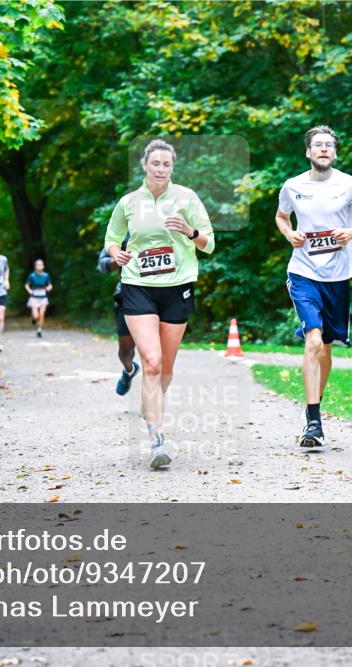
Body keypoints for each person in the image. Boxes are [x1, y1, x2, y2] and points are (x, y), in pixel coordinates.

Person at [104, 139, 214, 470]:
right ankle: (156, 438)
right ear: (144, 165)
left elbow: (209, 244)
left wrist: (190, 231)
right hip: (138, 286)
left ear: (172, 167)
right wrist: (116, 254)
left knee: (165, 368)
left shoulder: (187, 198)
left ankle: (152, 407)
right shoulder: (129, 202)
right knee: (150, 362)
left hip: (177, 286)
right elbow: (111, 238)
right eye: (156, 164)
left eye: (167, 164)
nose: (161, 169)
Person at [275, 125, 352, 448]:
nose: (323, 149)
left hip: (337, 277)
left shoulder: (350, 186)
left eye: (328, 145)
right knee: (314, 341)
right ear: (308, 152)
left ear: (334, 152)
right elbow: (281, 217)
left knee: (327, 349)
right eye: (317, 145)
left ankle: (313, 403)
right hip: (304, 273)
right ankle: (314, 422)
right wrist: (289, 233)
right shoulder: (293, 186)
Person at [98, 234, 139, 396]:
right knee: (125, 351)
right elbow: (102, 264)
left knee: (152, 353)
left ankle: (152, 402)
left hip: (158, 294)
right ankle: (129, 370)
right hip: (127, 295)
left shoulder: (162, 227)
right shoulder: (122, 233)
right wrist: (118, 260)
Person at [25, 259, 52, 338]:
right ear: (35, 266)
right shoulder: (32, 275)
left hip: (43, 297)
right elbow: (26, 285)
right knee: (36, 316)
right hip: (34, 297)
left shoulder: (46, 275)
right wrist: (29, 290)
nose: (39, 266)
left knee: (42, 314)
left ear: (43, 266)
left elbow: (50, 285)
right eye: (38, 265)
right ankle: (33, 318)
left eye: (41, 265)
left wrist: (49, 288)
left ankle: (39, 330)